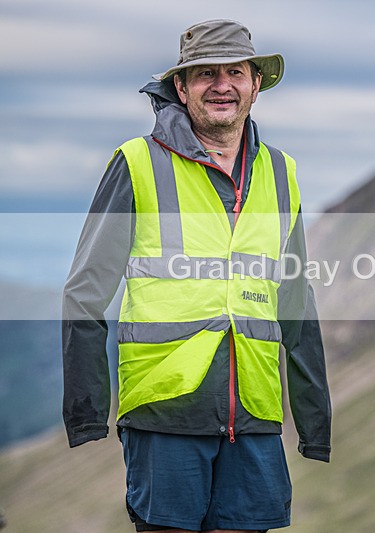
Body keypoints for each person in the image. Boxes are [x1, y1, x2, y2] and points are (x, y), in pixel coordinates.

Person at [62, 19, 331, 532]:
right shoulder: (137, 163)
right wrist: (87, 411)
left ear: (256, 85)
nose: (222, 85)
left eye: (235, 72)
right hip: (165, 411)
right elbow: (85, 292)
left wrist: (314, 422)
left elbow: (296, 300)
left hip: (255, 415)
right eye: (206, 74)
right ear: (181, 88)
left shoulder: (282, 173)